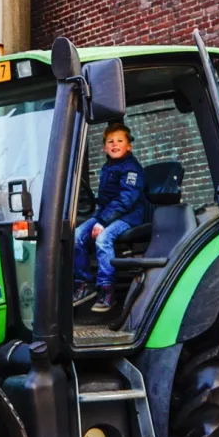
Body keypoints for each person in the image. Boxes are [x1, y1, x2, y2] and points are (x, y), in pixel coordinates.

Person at [73, 122, 147, 312]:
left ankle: (107, 288)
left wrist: (102, 222)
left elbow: (126, 199)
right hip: (107, 213)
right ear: (105, 147)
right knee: (77, 234)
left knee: (104, 239)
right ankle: (83, 283)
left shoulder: (131, 168)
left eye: (120, 141)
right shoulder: (108, 167)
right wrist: (100, 218)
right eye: (110, 141)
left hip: (129, 215)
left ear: (129, 146)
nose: (115, 144)